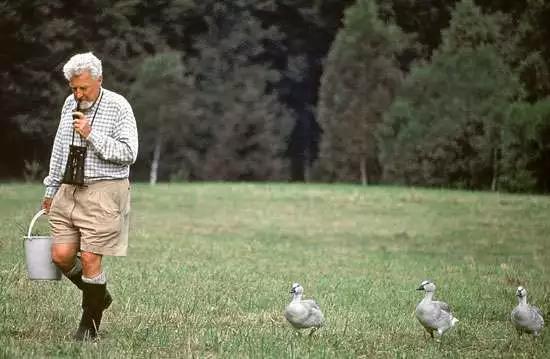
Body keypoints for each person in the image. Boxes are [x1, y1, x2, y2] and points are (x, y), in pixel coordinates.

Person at [42, 52, 138, 341]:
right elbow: (60, 147)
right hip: (69, 189)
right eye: (73, 88)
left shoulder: (119, 106)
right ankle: (99, 296)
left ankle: (89, 328)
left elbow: (129, 154)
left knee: (91, 258)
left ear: (100, 80)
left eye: (84, 87)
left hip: (105, 190)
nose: (78, 94)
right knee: (60, 256)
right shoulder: (69, 104)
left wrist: (91, 134)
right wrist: (50, 188)